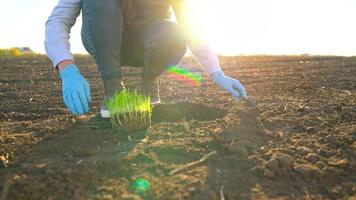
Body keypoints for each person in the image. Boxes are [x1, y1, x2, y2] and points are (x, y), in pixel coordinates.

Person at [45, 0, 248, 118]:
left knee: (174, 33)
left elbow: (191, 27)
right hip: (103, 39)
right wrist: (67, 69)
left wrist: (217, 73)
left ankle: (149, 85)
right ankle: (114, 91)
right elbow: (59, 20)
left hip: (147, 43)